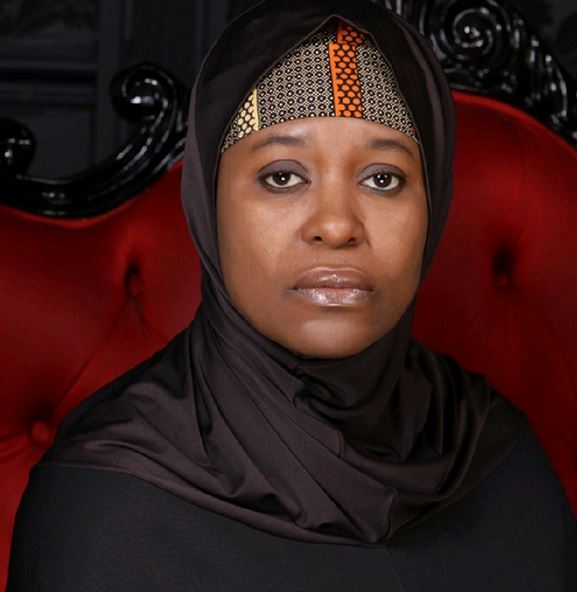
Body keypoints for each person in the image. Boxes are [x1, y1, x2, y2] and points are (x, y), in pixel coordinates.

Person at [6, 0, 577, 590]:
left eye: (382, 178)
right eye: (282, 176)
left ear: (432, 205)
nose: (336, 225)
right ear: (208, 205)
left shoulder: (493, 456)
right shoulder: (106, 509)